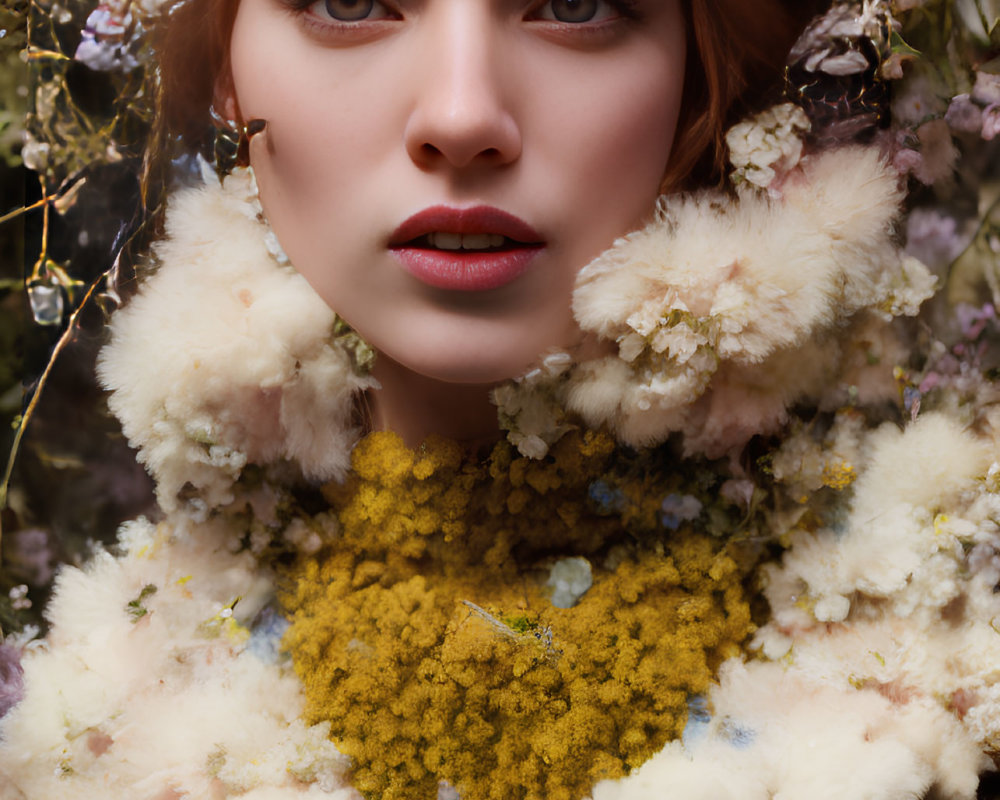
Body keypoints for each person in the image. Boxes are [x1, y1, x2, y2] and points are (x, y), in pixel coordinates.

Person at [2, 0, 1000, 798]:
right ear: (226, 71)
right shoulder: (95, 725)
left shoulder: (949, 668)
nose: (462, 117)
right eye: (350, 3)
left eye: (575, 4)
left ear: (703, 65)